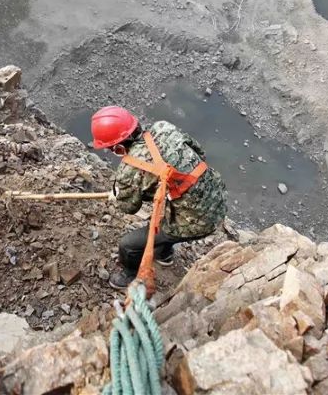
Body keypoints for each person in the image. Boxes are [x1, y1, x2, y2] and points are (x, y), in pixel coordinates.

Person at [90, 105, 228, 289]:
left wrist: (117, 195)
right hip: (216, 194)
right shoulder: (164, 128)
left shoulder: (128, 170)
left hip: (199, 220)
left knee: (128, 245)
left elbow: (129, 207)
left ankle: (129, 273)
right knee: (163, 222)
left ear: (118, 147)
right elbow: (199, 152)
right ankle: (164, 254)